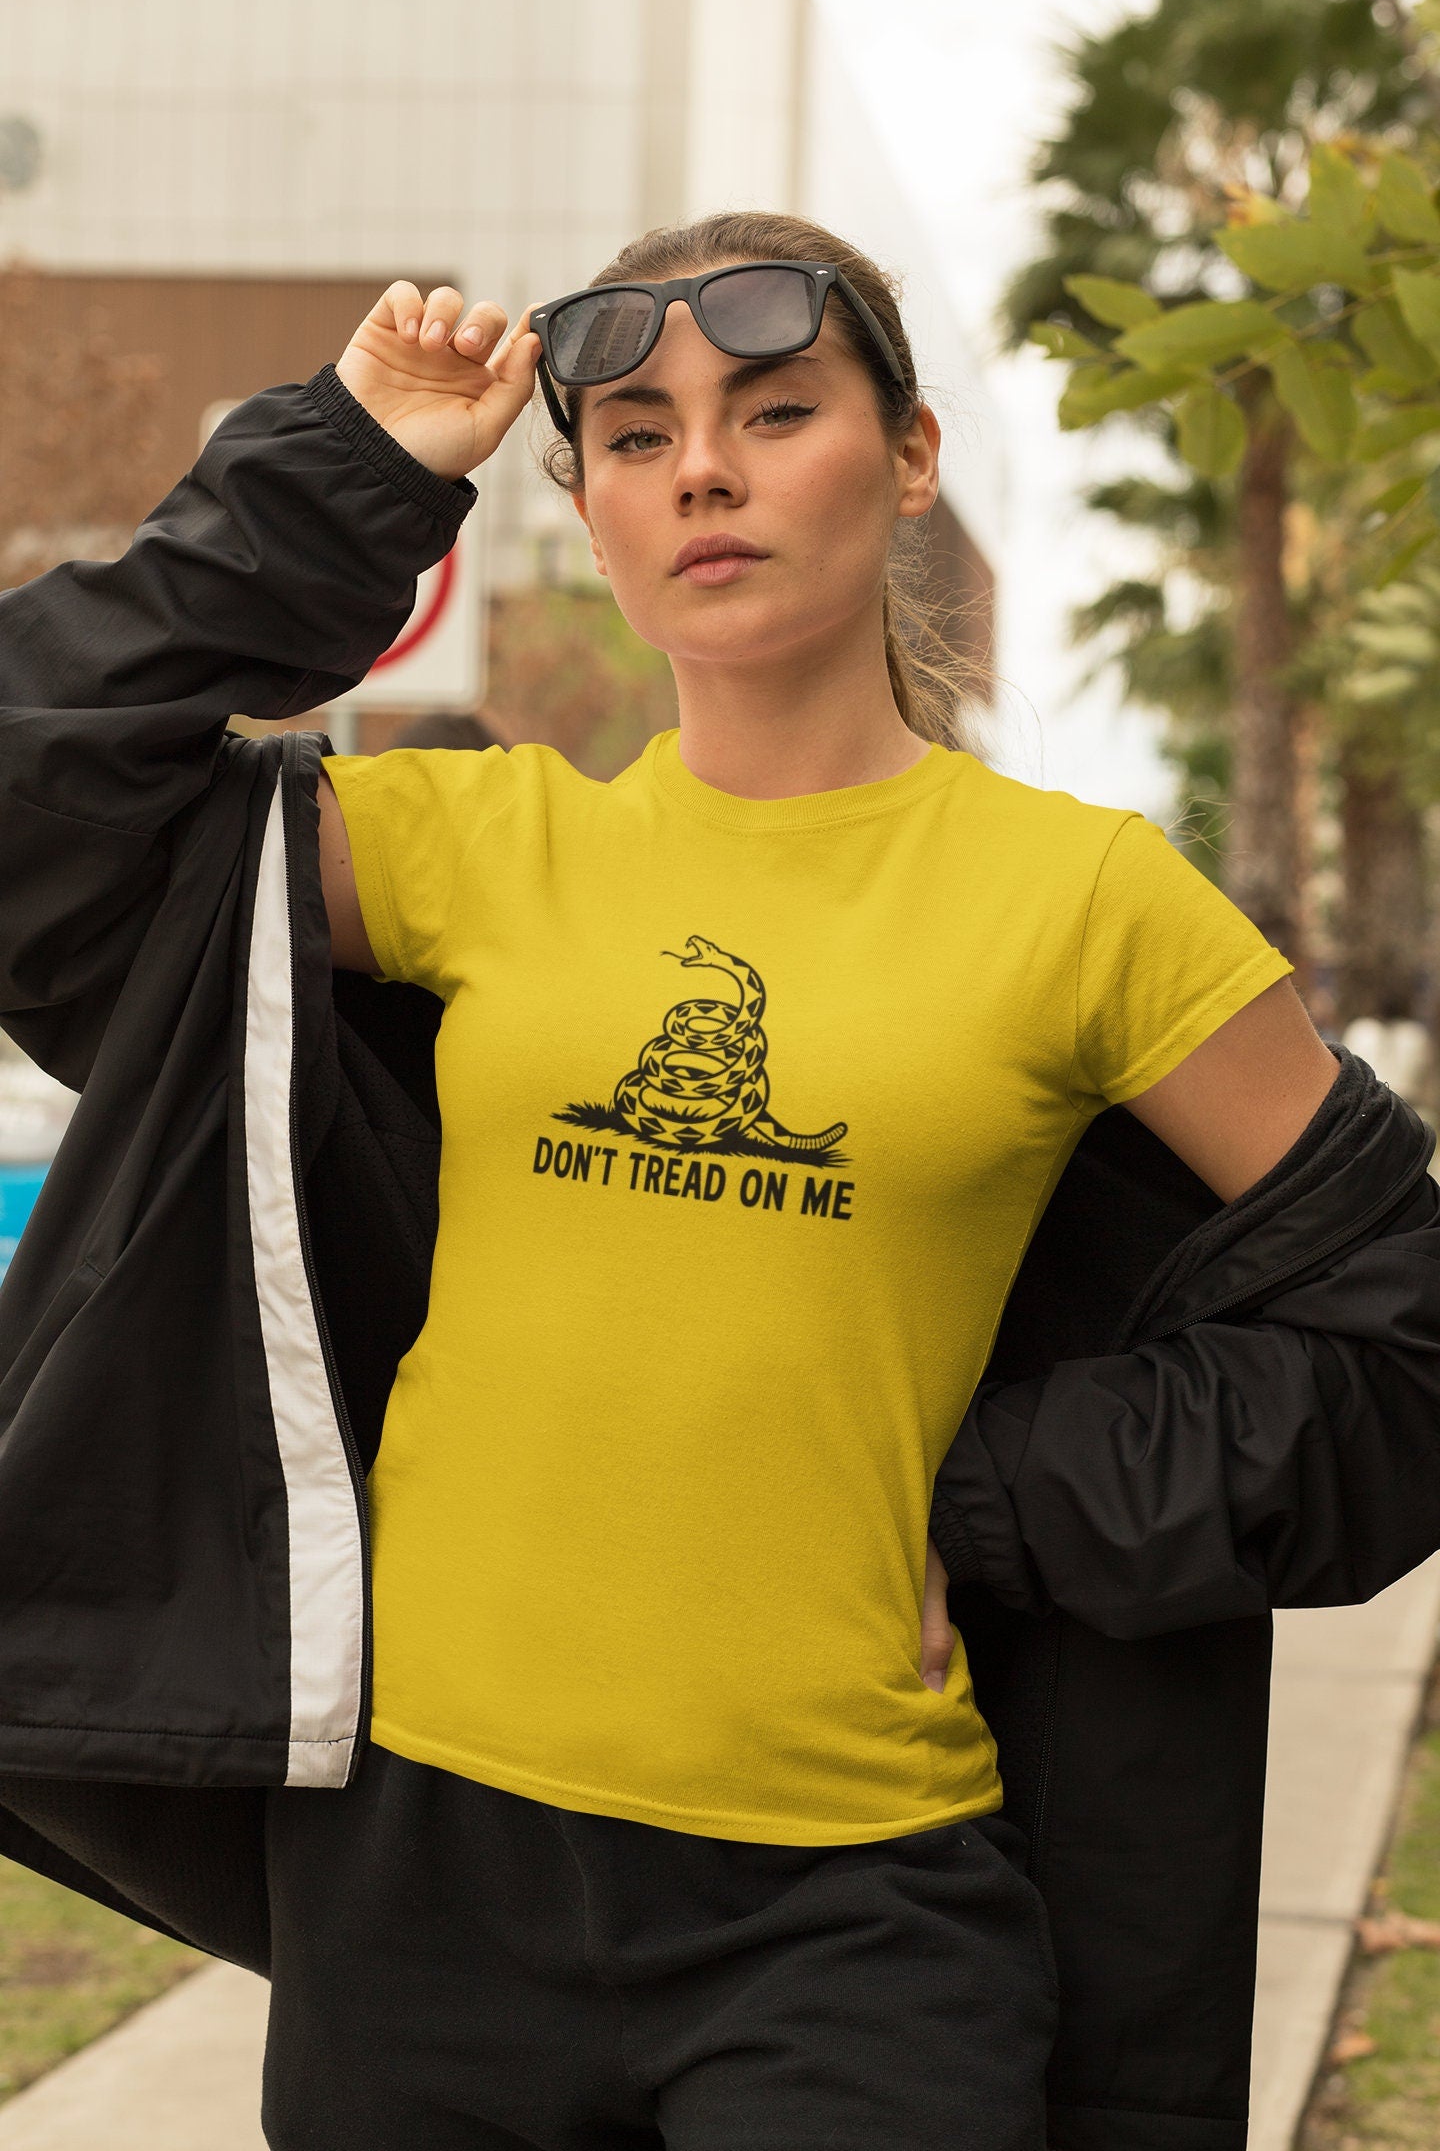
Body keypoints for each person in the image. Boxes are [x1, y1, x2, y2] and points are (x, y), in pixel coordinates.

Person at [1, 216, 1439, 2151]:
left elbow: (1403, 1327)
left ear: (907, 456)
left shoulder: (1087, 900)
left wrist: (1014, 1489)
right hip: (415, 1887)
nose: (703, 468)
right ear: (586, 501)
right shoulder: (473, 845)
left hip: (850, 1916)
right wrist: (351, 469)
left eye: (775, 412)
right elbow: (35, 789)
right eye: (635, 435)